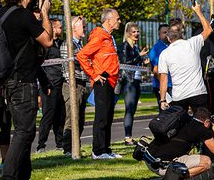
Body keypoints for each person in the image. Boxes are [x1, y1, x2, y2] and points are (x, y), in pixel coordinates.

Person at [0, 0, 55, 180]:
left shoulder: (1, 14)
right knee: (24, 132)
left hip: (7, 81)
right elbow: (47, 40)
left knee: (24, 131)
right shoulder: (23, 15)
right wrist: (45, 13)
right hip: (22, 82)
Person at [143, 106, 214, 180]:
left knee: (183, 155)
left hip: (150, 158)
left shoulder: (183, 121)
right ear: (206, 122)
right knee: (206, 162)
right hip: (162, 165)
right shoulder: (200, 128)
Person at [78, 8, 122, 160]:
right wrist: (94, 75)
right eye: (117, 18)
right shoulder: (99, 36)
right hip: (102, 81)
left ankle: (105, 149)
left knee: (108, 116)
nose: (119, 21)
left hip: (110, 81)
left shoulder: (109, 37)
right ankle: (97, 151)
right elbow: (82, 55)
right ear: (108, 20)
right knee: (101, 117)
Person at [158, 2, 212, 112]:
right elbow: (208, 30)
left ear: (168, 38)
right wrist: (198, 11)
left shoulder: (165, 54)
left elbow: (163, 78)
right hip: (198, 92)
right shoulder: (192, 43)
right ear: (181, 35)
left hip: (179, 96)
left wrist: (163, 100)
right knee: (204, 123)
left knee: (182, 126)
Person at [61, 15, 91, 154]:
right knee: (72, 118)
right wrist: (72, 87)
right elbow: (67, 68)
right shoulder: (68, 44)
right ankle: (68, 148)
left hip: (82, 84)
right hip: (73, 85)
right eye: (82, 26)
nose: (85, 28)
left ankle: (76, 147)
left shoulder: (80, 44)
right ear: (73, 28)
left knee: (80, 118)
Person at [36, 18, 65, 152]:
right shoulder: (46, 46)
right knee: (48, 115)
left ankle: (60, 144)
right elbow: (39, 66)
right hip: (49, 85)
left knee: (60, 116)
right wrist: (44, 85)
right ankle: (41, 145)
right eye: (59, 27)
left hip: (60, 85)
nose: (61, 29)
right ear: (52, 28)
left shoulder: (61, 44)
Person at [119, 22, 149, 145]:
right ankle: (127, 138)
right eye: (134, 32)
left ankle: (129, 137)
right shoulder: (124, 46)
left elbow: (136, 63)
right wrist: (139, 56)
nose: (136, 34)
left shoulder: (135, 47)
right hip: (128, 82)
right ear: (128, 33)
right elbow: (126, 62)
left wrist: (143, 62)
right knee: (129, 108)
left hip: (136, 80)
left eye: (137, 31)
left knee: (133, 109)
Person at [148, 23, 170, 96]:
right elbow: (155, 70)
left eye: (168, 32)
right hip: (162, 85)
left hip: (172, 85)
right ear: (159, 34)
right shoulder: (156, 48)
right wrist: (164, 85)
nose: (167, 34)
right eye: (164, 32)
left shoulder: (171, 46)